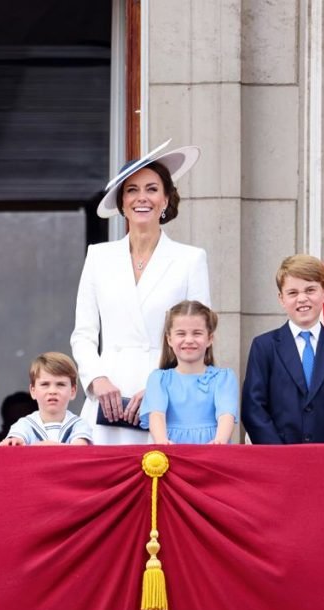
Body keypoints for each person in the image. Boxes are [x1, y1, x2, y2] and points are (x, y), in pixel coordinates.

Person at [72, 140, 210, 445]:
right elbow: (83, 334)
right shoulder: (98, 256)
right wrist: (97, 380)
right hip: (107, 402)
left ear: (165, 199)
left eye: (151, 189)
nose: (141, 197)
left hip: (167, 401)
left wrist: (164, 388)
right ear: (121, 203)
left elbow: (199, 337)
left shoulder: (191, 259)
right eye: (132, 190)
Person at [241, 255, 324, 444]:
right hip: (278, 458)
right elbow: (253, 407)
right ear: (281, 299)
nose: (302, 299)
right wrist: (278, 454)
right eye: (293, 293)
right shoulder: (264, 346)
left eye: (310, 290)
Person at [139, 300, 237, 445]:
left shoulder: (224, 378)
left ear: (209, 339)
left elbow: (226, 415)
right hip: (172, 452)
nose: (189, 340)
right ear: (169, 339)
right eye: (181, 334)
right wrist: (163, 442)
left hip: (212, 453)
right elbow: (157, 416)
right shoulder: (159, 380)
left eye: (197, 333)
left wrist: (219, 443)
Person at [0, 352, 92, 446]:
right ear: (33, 391)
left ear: (73, 391)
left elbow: (79, 449)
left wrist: (45, 447)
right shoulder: (23, 425)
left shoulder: (80, 425)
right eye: (45, 384)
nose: (52, 391)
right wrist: (11, 443)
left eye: (60, 384)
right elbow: (14, 444)